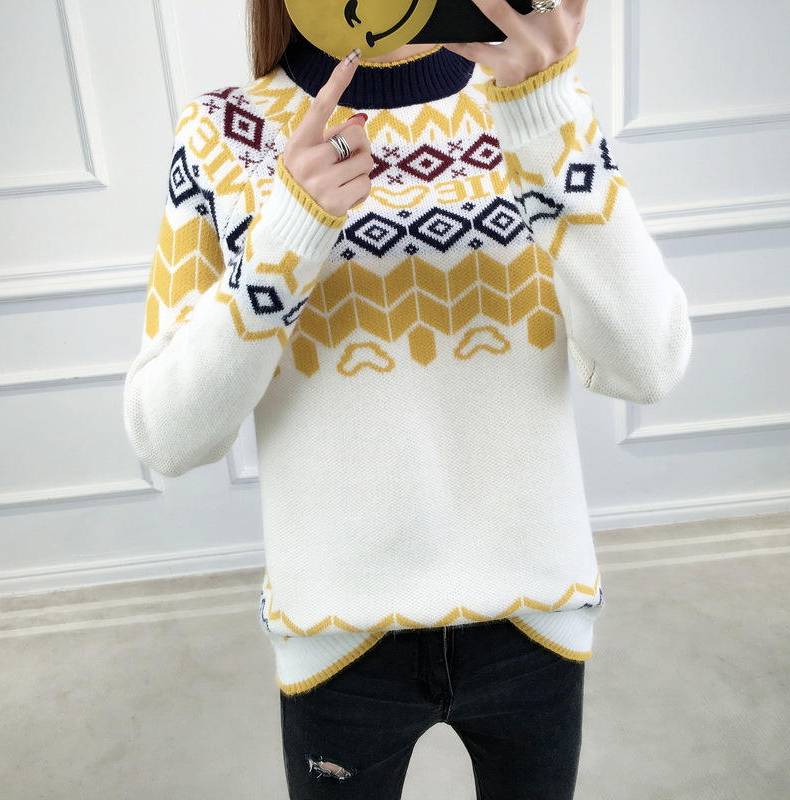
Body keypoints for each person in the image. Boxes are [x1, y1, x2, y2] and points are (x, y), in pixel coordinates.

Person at [123, 0, 693, 796]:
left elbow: (649, 365)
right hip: (338, 638)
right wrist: (287, 236)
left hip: (535, 619)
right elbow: (166, 434)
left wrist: (549, 120)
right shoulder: (224, 135)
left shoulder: (533, 100)